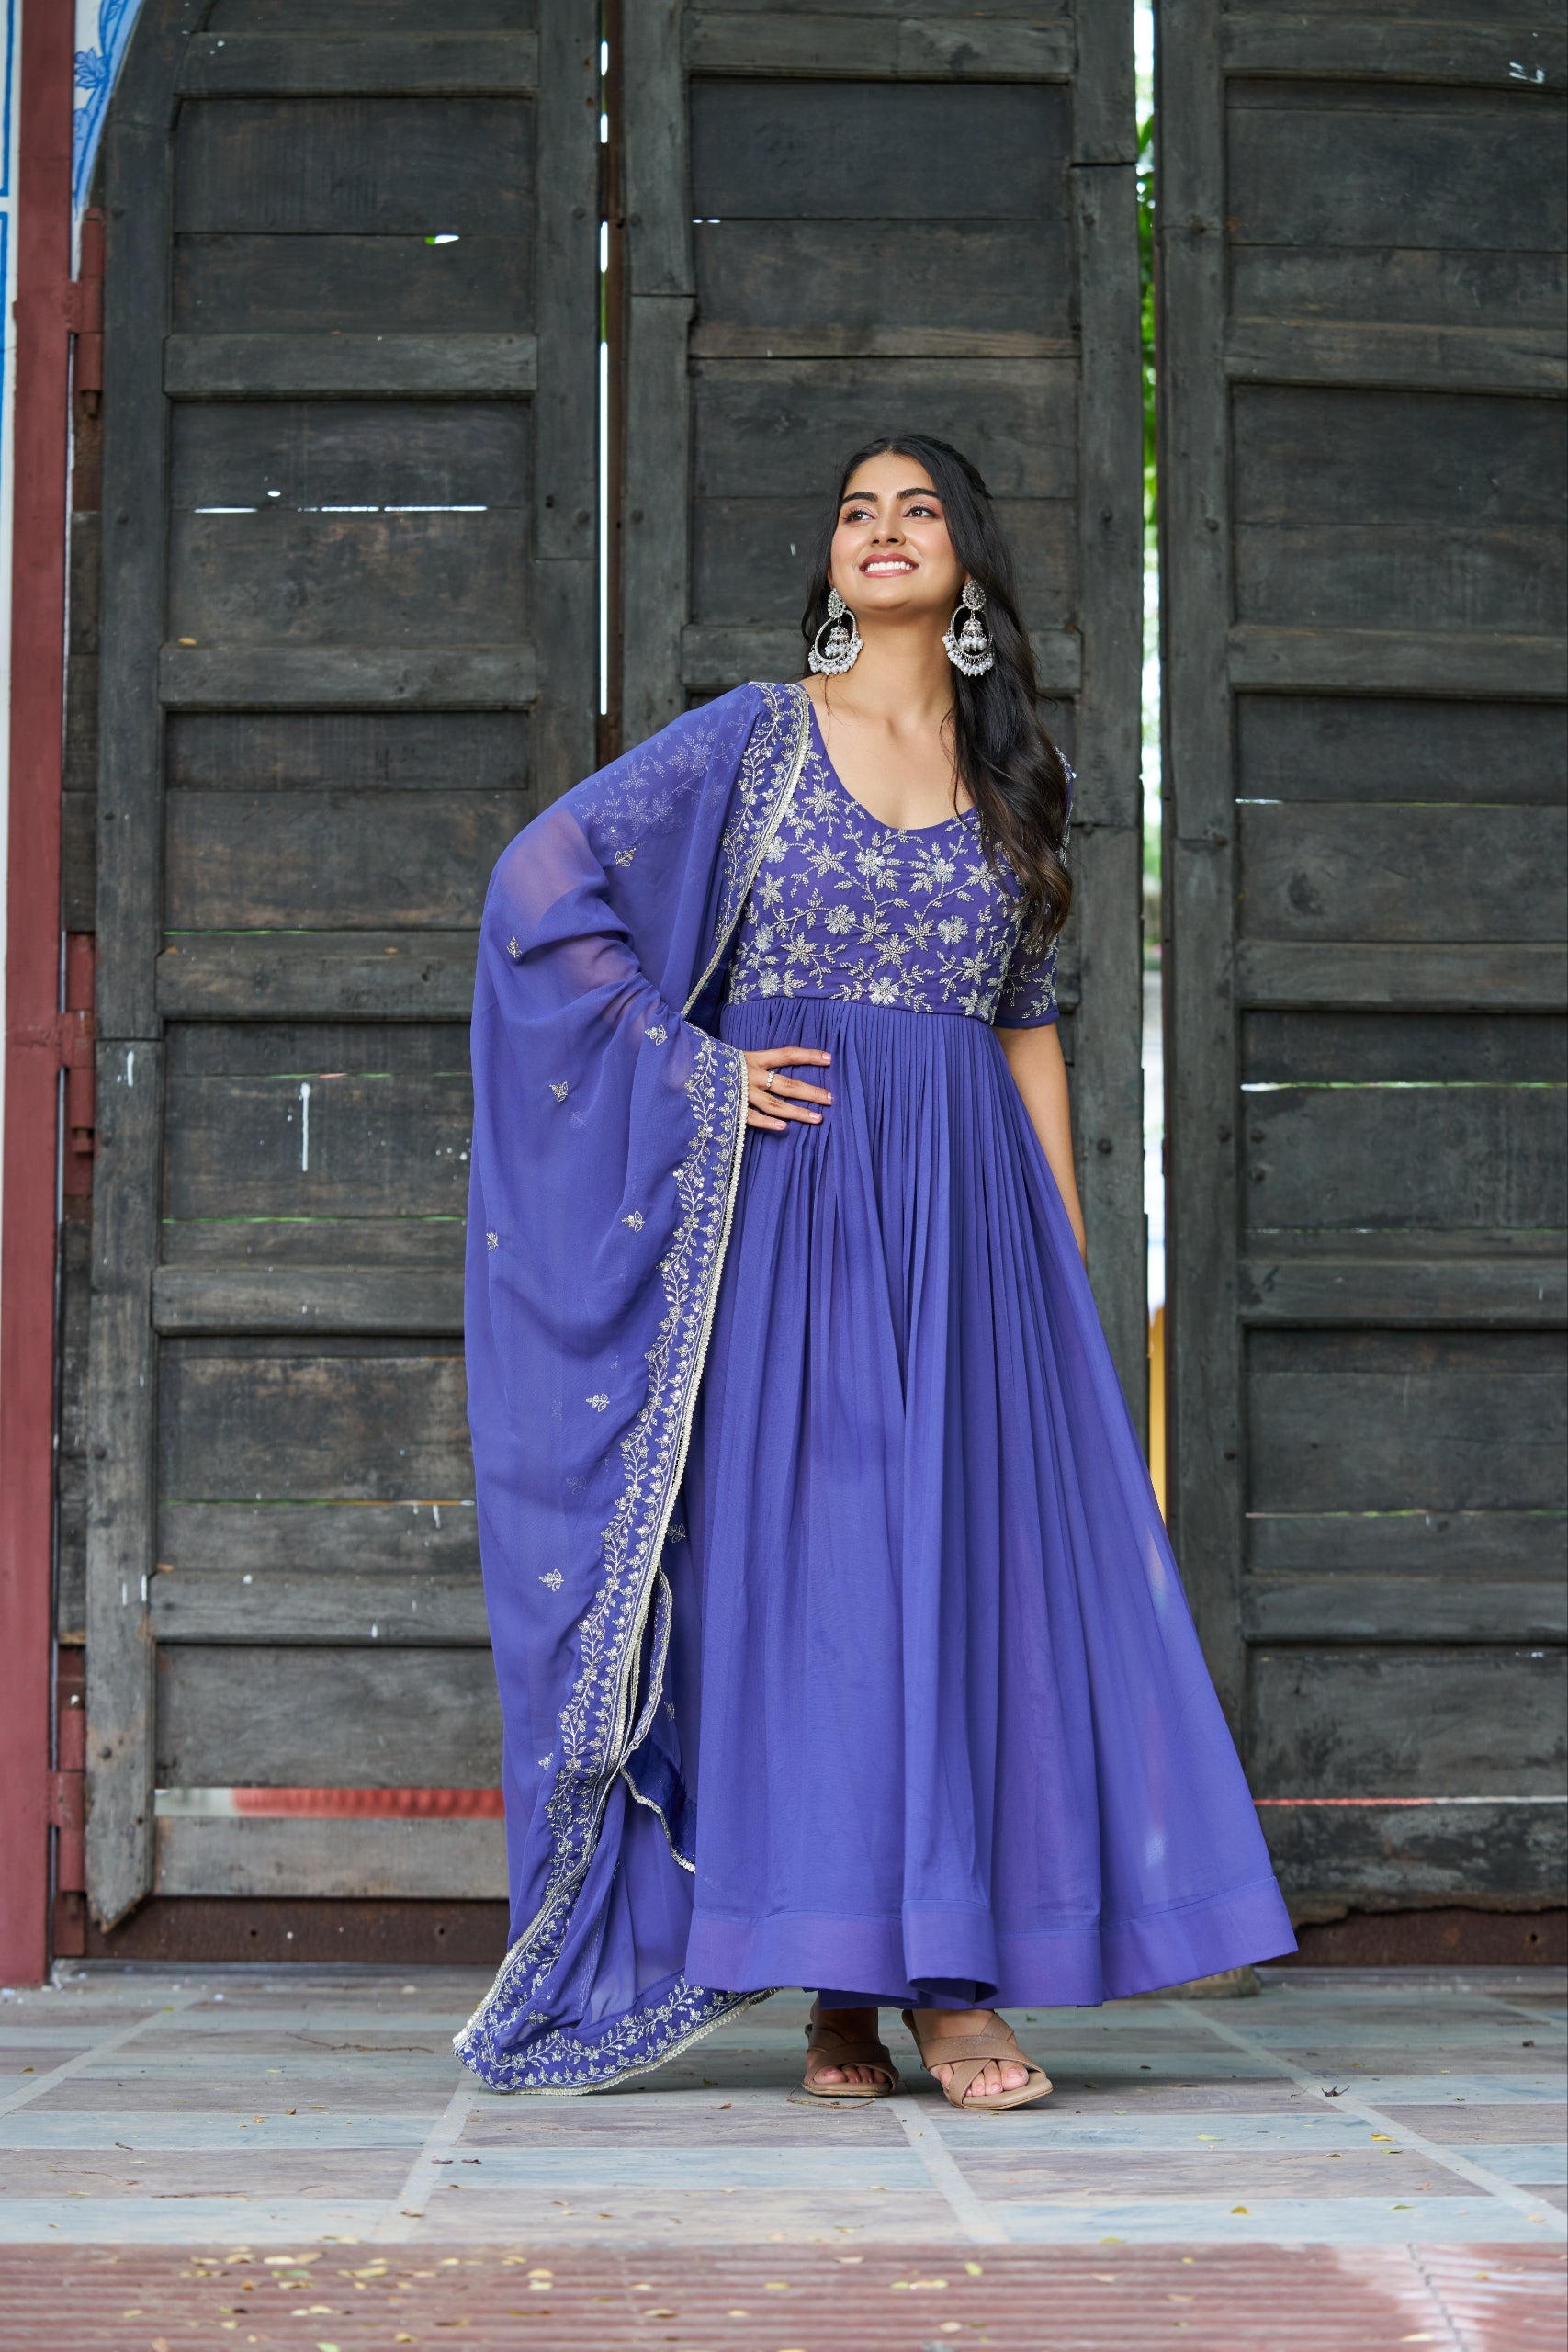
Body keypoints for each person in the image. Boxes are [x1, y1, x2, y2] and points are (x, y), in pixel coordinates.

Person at [455, 435, 1295, 2107]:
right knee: (829, 1593)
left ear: (967, 565)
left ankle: (932, 1982)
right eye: (858, 512)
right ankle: (863, 1982)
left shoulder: (1018, 777)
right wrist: (692, 1069)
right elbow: (539, 888)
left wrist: (1060, 1268)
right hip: (795, 1217)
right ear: (834, 562)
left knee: (954, 1587)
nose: (885, 530)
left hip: (970, 1230)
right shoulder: (750, 741)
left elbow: (1028, 1032)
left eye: (918, 511)